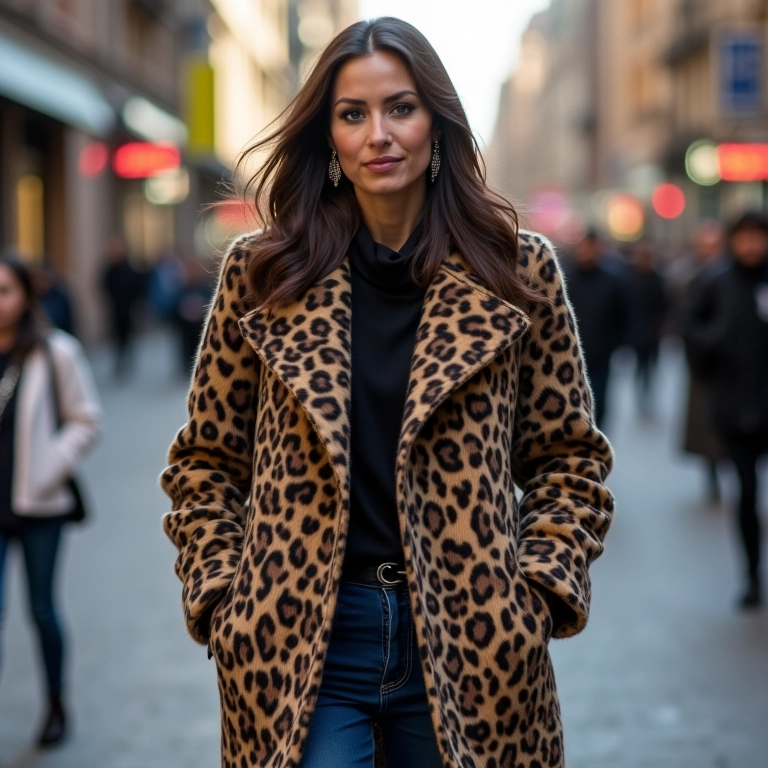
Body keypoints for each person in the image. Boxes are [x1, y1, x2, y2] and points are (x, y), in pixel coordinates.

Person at [161, 18, 615, 768]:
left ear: (436, 122)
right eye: (353, 113)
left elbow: (569, 458)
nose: (379, 133)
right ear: (330, 137)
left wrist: (533, 594)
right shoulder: (263, 275)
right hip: (301, 636)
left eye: (400, 108)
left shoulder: (516, 269)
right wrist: (223, 597)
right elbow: (203, 464)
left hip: (472, 640)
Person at [0, 253, 101, 746]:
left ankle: (56, 704)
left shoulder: (54, 352)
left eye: (5, 292)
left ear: (25, 296)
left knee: (42, 609)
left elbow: (87, 420)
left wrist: (48, 467)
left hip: (40, 505)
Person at [682, 210, 768, 609]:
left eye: (759, 237)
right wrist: (713, 342)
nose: (752, 245)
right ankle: (752, 576)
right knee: (747, 496)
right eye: (746, 237)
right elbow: (690, 328)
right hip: (736, 410)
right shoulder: (716, 282)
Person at [562, 227, 632, 430]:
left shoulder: (613, 280)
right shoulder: (565, 278)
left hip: (601, 353)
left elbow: (624, 314)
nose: (588, 251)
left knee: (599, 400)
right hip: (570, 355)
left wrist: (619, 343)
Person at [679, 221, 725, 503]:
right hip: (710, 366)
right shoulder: (698, 277)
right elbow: (688, 319)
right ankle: (714, 472)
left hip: (746, 370)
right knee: (710, 425)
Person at [628, 241, 668, 419]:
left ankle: (648, 396)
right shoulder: (631, 278)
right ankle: (641, 397)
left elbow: (664, 305)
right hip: (638, 332)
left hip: (653, 333)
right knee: (640, 366)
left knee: (652, 367)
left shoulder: (658, 279)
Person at [101, 236, 145, 378]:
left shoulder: (130, 268)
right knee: (117, 337)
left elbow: (138, 287)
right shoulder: (110, 270)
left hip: (129, 309)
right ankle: (119, 361)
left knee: (128, 336)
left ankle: (127, 361)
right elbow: (103, 286)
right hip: (115, 309)